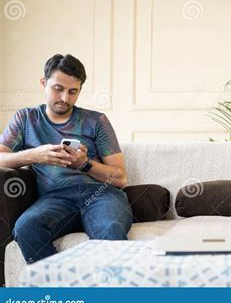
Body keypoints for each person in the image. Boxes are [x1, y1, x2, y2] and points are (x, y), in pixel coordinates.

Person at [0, 54, 132, 263]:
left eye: (73, 92)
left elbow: (120, 178)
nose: (65, 98)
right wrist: (34, 155)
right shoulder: (25, 119)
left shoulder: (96, 120)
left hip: (100, 195)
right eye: (58, 89)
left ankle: (114, 295)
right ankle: (62, 292)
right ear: (43, 83)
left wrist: (84, 164)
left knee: (110, 230)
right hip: (54, 198)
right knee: (26, 227)